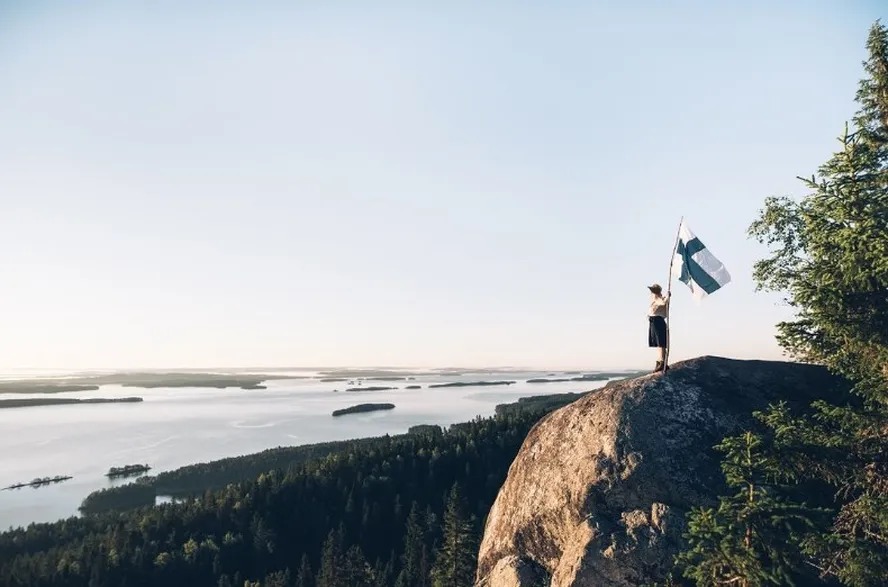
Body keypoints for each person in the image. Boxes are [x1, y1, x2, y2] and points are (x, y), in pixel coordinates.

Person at [647, 283, 670, 372]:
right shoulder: (656, 298)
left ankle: (662, 362)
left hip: (657, 320)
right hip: (654, 320)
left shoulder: (657, 298)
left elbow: (663, 303)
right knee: (658, 342)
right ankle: (660, 360)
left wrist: (667, 296)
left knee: (660, 342)